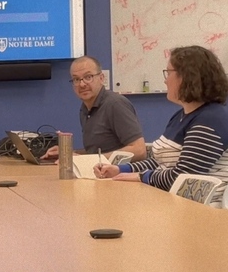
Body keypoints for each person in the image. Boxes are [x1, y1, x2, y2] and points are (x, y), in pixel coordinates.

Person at [94, 45, 228, 208]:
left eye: (168, 73)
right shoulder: (180, 116)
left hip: (203, 211)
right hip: (175, 202)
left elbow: (185, 177)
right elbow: (160, 163)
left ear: (186, 77)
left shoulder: (211, 119)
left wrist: (140, 176)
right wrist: (120, 169)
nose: (165, 79)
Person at [41, 55, 147, 162]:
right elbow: (94, 153)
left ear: (101, 78)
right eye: (76, 79)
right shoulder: (85, 109)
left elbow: (139, 150)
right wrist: (67, 154)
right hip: (99, 173)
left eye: (88, 77)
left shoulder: (115, 104)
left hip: (118, 174)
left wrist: (84, 160)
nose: (82, 84)